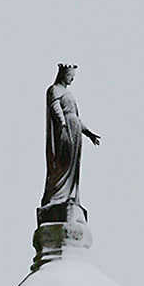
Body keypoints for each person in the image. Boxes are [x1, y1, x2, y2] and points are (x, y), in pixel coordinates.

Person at [40, 64, 100, 219]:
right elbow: (55, 107)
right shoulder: (54, 90)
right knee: (63, 164)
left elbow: (76, 118)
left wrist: (89, 133)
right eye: (70, 76)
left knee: (73, 167)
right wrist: (63, 124)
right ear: (63, 75)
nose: (71, 80)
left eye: (73, 77)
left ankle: (69, 196)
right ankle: (56, 197)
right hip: (66, 130)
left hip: (75, 130)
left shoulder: (68, 93)